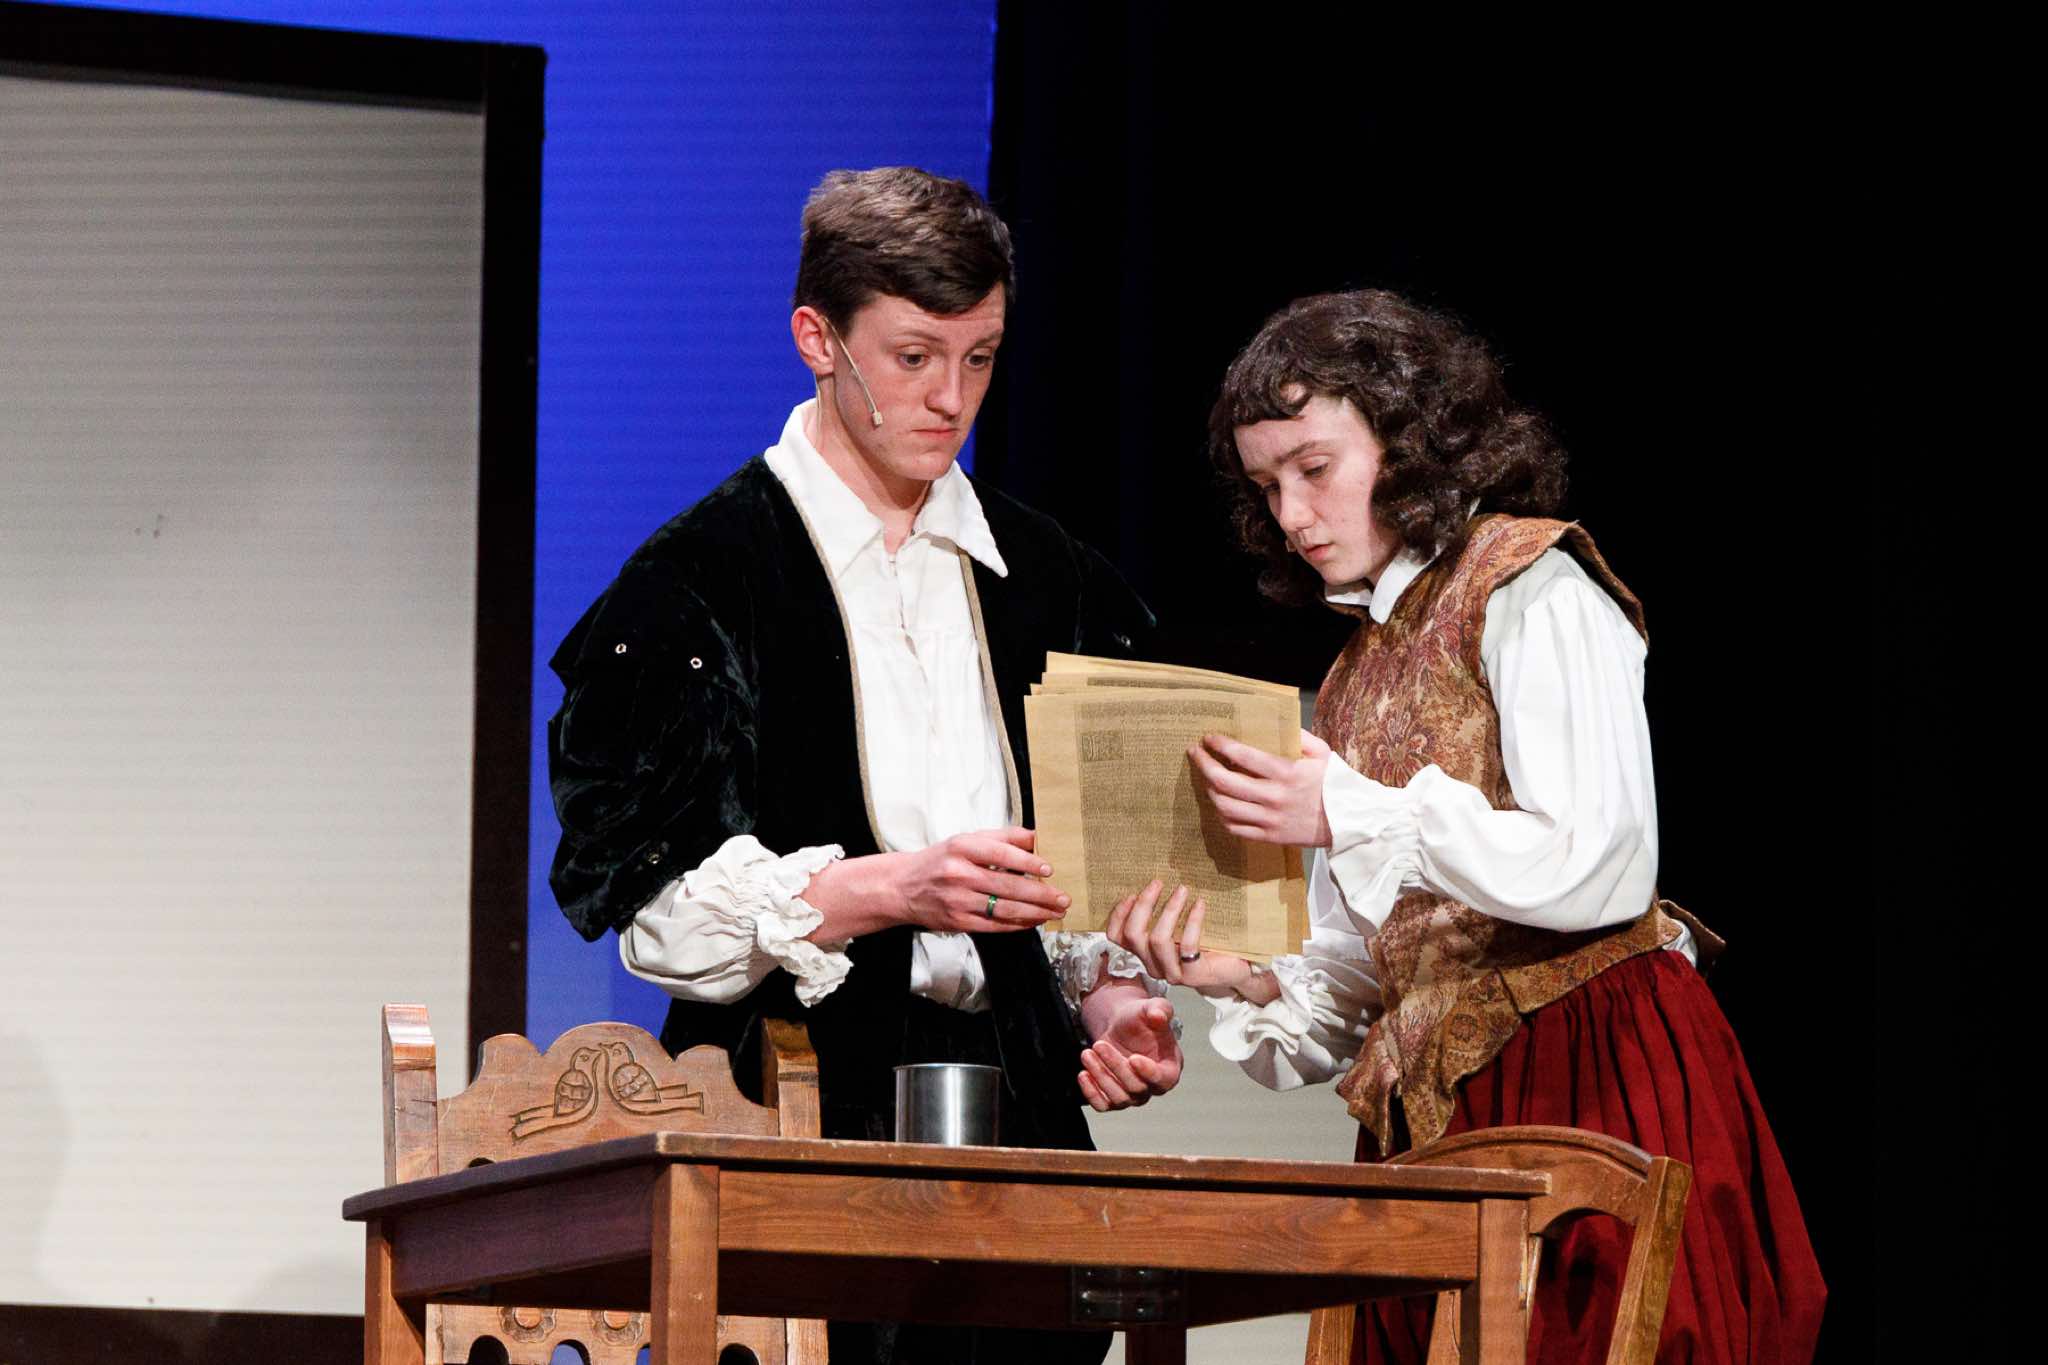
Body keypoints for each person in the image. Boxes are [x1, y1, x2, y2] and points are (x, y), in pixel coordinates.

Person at [1107, 290, 1823, 1365]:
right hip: (1435, 1113)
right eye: (1267, 486)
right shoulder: (1353, 673)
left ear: (1407, 442)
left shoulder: (1531, 581)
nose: (1293, 514)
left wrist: (1348, 809)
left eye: (1314, 468)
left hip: (1589, 1067)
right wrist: (1242, 975)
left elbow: (1600, 860)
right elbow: (1373, 962)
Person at [546, 167, 1179, 1365]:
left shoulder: (1050, 581)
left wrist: (1107, 1005)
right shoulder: (697, 583)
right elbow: (654, 911)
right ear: (816, 340)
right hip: (786, 1117)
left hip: (1013, 1124)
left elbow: (1079, 880)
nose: (950, 399)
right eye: (913, 357)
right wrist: (890, 887)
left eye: (979, 359)